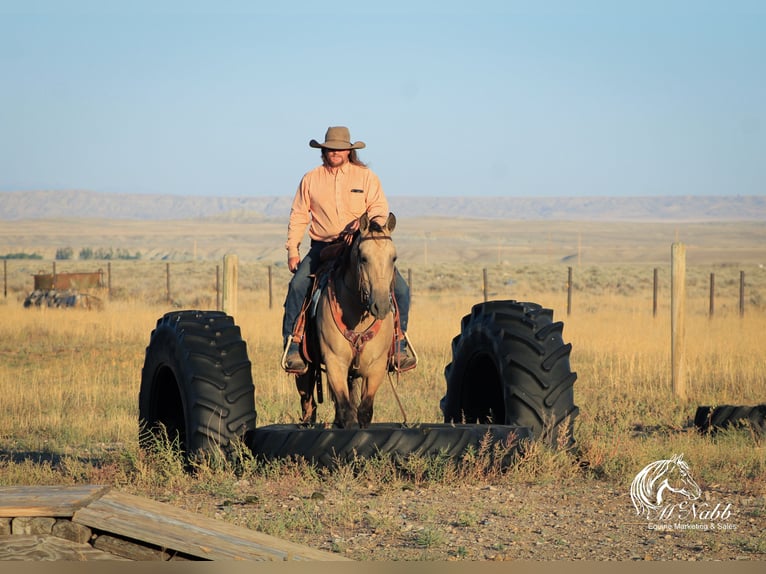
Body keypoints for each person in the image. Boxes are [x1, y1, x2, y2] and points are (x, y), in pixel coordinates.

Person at [281, 126, 415, 374]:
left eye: (340, 148)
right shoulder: (311, 179)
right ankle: (293, 344)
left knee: (401, 290)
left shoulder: (366, 177)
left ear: (349, 151)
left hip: (359, 244)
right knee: (298, 285)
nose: (335, 152)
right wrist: (293, 250)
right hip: (324, 247)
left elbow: (378, 207)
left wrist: (369, 223)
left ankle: (399, 343)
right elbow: (299, 214)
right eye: (330, 148)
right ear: (324, 151)